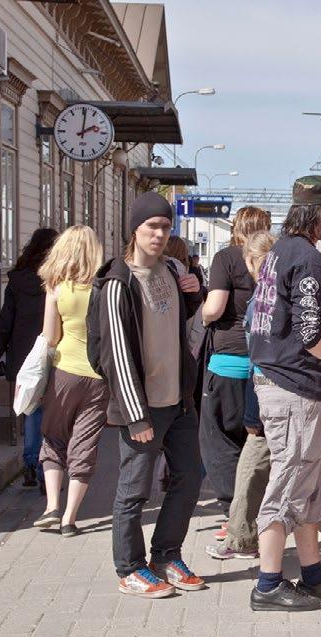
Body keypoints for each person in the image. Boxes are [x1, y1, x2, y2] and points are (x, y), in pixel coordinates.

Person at [247, 175, 321, 611]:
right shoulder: (310, 261)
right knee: (290, 479)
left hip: (287, 381)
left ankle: (313, 573)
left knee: (312, 482)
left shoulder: (279, 252)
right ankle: (267, 583)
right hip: (293, 386)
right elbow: (311, 333)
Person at [93, 192, 205, 598]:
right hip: (142, 407)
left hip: (178, 401)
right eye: (152, 227)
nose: (160, 234)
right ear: (135, 230)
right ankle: (130, 568)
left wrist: (194, 292)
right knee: (133, 490)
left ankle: (166, 555)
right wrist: (134, 414)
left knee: (190, 478)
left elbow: (177, 325)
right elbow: (115, 355)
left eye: (165, 226)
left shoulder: (172, 270)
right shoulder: (116, 283)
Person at [33, 226, 109, 536]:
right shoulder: (104, 289)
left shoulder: (56, 288)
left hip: (65, 372)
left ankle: (52, 506)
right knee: (85, 444)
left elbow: (51, 337)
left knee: (53, 437)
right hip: (99, 376)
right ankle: (69, 519)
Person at [199, 206, 271, 521]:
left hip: (228, 362)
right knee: (255, 440)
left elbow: (214, 308)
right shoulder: (275, 259)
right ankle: (257, 507)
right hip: (265, 365)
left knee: (220, 441)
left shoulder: (226, 258)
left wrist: (197, 316)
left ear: (236, 227)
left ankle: (235, 512)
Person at [0, 228, 58, 489]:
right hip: (54, 354)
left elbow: (4, 325)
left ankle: (30, 464)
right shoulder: (57, 280)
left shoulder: (16, 280)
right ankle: (48, 467)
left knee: (32, 411)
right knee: (53, 413)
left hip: (23, 358)